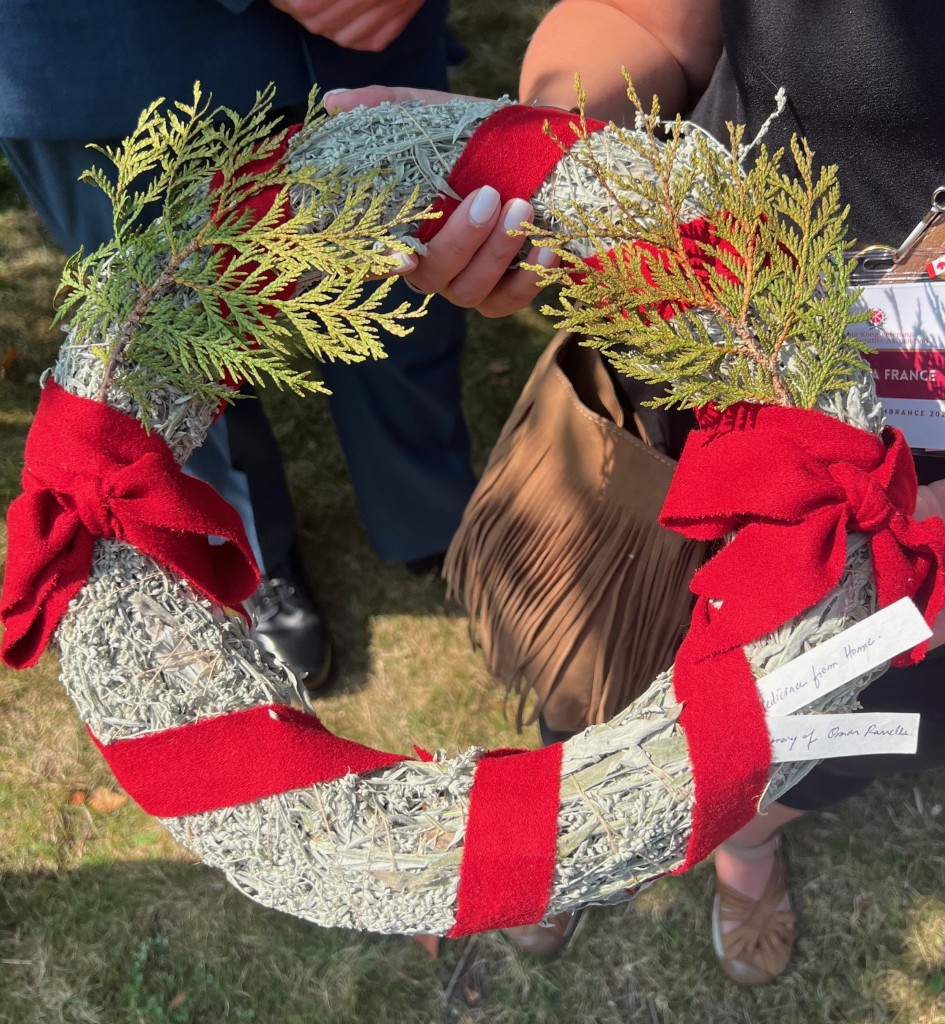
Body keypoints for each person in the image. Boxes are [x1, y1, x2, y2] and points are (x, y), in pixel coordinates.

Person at [326, 0, 945, 980]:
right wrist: (559, 165)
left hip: (918, 517)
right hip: (696, 354)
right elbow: (646, 21)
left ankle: (744, 839)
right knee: (602, 651)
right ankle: (571, 831)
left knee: (837, 719)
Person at [0, 0, 474, 690]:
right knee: (169, 343)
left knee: (410, 288)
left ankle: (431, 511)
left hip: (368, 32)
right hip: (106, 49)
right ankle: (252, 553)